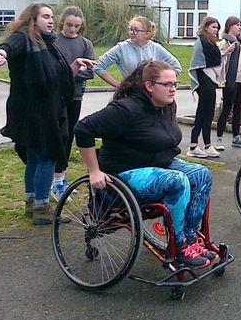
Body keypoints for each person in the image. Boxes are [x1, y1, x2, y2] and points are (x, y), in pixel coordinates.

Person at [74, 60, 217, 268]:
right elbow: (82, 128)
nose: (173, 89)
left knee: (201, 174)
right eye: (167, 84)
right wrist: (94, 171)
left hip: (159, 163)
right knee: (177, 181)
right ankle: (177, 246)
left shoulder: (168, 105)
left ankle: (189, 239)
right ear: (149, 86)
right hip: (124, 171)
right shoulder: (126, 109)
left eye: (175, 84)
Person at [0, 2, 95, 224]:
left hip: (40, 110)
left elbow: (57, 76)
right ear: (32, 19)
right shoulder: (24, 38)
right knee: (47, 156)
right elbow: (7, 46)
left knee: (35, 158)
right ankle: (42, 208)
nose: (50, 20)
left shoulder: (47, 44)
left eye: (51, 16)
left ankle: (32, 204)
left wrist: (75, 65)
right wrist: (0, 53)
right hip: (35, 111)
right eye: (45, 17)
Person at [50, 6, 95, 200]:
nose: (72, 29)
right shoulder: (53, 42)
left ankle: (61, 175)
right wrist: (73, 73)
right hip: (54, 96)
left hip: (75, 96)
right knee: (57, 134)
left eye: (76, 26)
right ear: (62, 23)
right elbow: (50, 72)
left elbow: (90, 71)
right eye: (69, 25)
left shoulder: (85, 43)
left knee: (68, 135)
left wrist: (67, 75)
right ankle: (54, 177)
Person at [186, 16, 235, 158]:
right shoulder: (202, 41)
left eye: (217, 27)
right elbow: (210, 60)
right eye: (213, 27)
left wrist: (225, 53)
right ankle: (197, 145)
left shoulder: (209, 41)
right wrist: (224, 53)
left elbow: (215, 58)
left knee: (206, 114)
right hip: (204, 82)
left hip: (209, 81)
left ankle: (203, 145)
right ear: (206, 27)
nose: (216, 30)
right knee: (204, 113)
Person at [93, 15, 181, 88]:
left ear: (147, 33)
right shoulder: (121, 48)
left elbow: (176, 67)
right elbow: (98, 67)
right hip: (130, 94)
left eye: (136, 30)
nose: (132, 32)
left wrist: (163, 83)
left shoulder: (156, 48)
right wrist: (119, 86)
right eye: (131, 29)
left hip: (152, 95)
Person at [215, 16, 241, 150]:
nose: (239, 27)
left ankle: (236, 137)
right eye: (237, 25)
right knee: (227, 108)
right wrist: (227, 51)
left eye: (240, 25)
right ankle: (219, 138)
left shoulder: (240, 43)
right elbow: (219, 56)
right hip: (230, 79)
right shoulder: (225, 42)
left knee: (238, 109)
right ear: (230, 26)